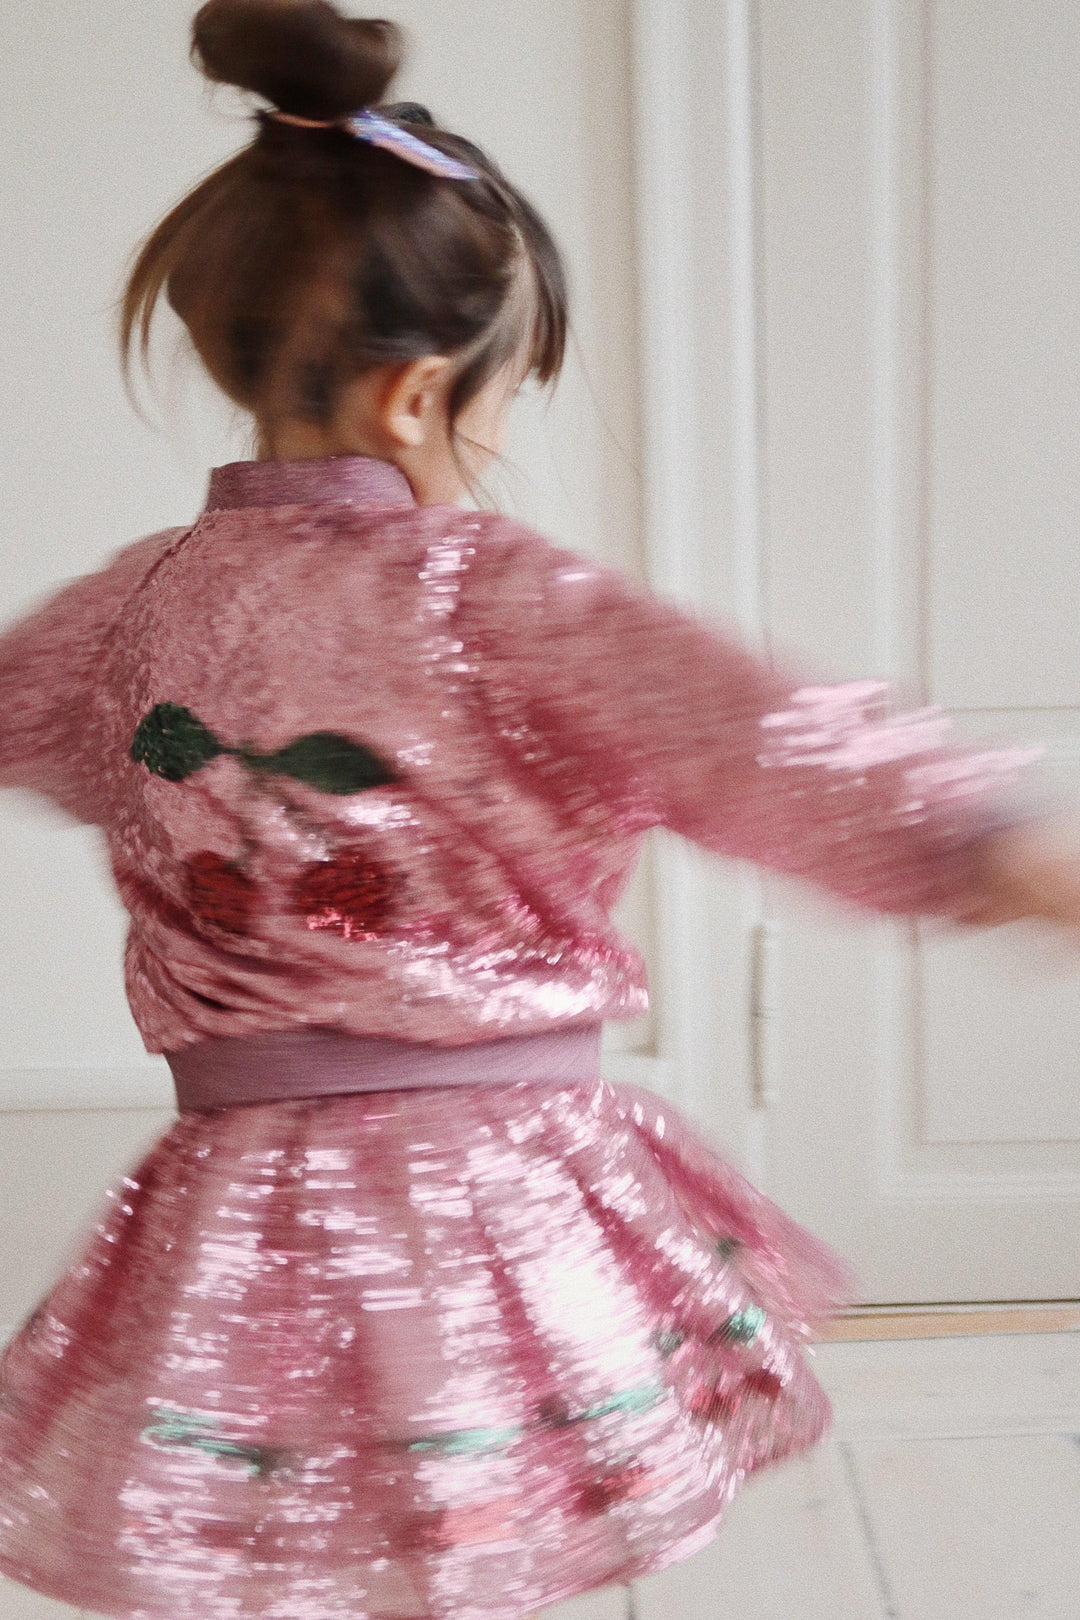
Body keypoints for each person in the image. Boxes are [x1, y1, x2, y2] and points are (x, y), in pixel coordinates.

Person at [0, 3, 1077, 1617]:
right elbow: (754, 735)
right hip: (486, 1194)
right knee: (462, 1536)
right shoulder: (489, 596)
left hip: (237, 1200)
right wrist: (982, 844)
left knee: (302, 1541)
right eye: (508, 392)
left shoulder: (125, 612)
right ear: (420, 396)